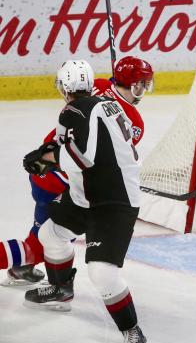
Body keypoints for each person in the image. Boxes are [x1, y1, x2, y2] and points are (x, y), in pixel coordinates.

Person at [21, 60, 147, 343]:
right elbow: (89, 147)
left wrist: (45, 160)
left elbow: (82, 158)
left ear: (64, 88)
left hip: (113, 203)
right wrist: (47, 153)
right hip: (86, 196)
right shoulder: (107, 104)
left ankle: (132, 330)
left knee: (102, 273)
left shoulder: (71, 111)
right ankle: (60, 286)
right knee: (50, 235)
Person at [1, 56, 153, 286]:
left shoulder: (99, 84)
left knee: (44, 233)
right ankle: (41, 274)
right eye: (140, 83)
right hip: (63, 179)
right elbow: (108, 160)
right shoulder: (135, 123)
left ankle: (23, 269)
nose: (143, 88)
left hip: (45, 167)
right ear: (133, 85)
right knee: (44, 244)